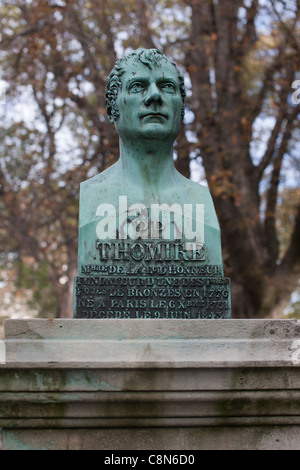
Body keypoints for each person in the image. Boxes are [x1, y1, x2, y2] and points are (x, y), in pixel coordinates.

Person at [78, 48, 223, 269]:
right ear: (111, 108)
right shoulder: (94, 197)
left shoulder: (200, 202)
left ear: (181, 109)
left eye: (167, 87)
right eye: (138, 86)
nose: (155, 95)